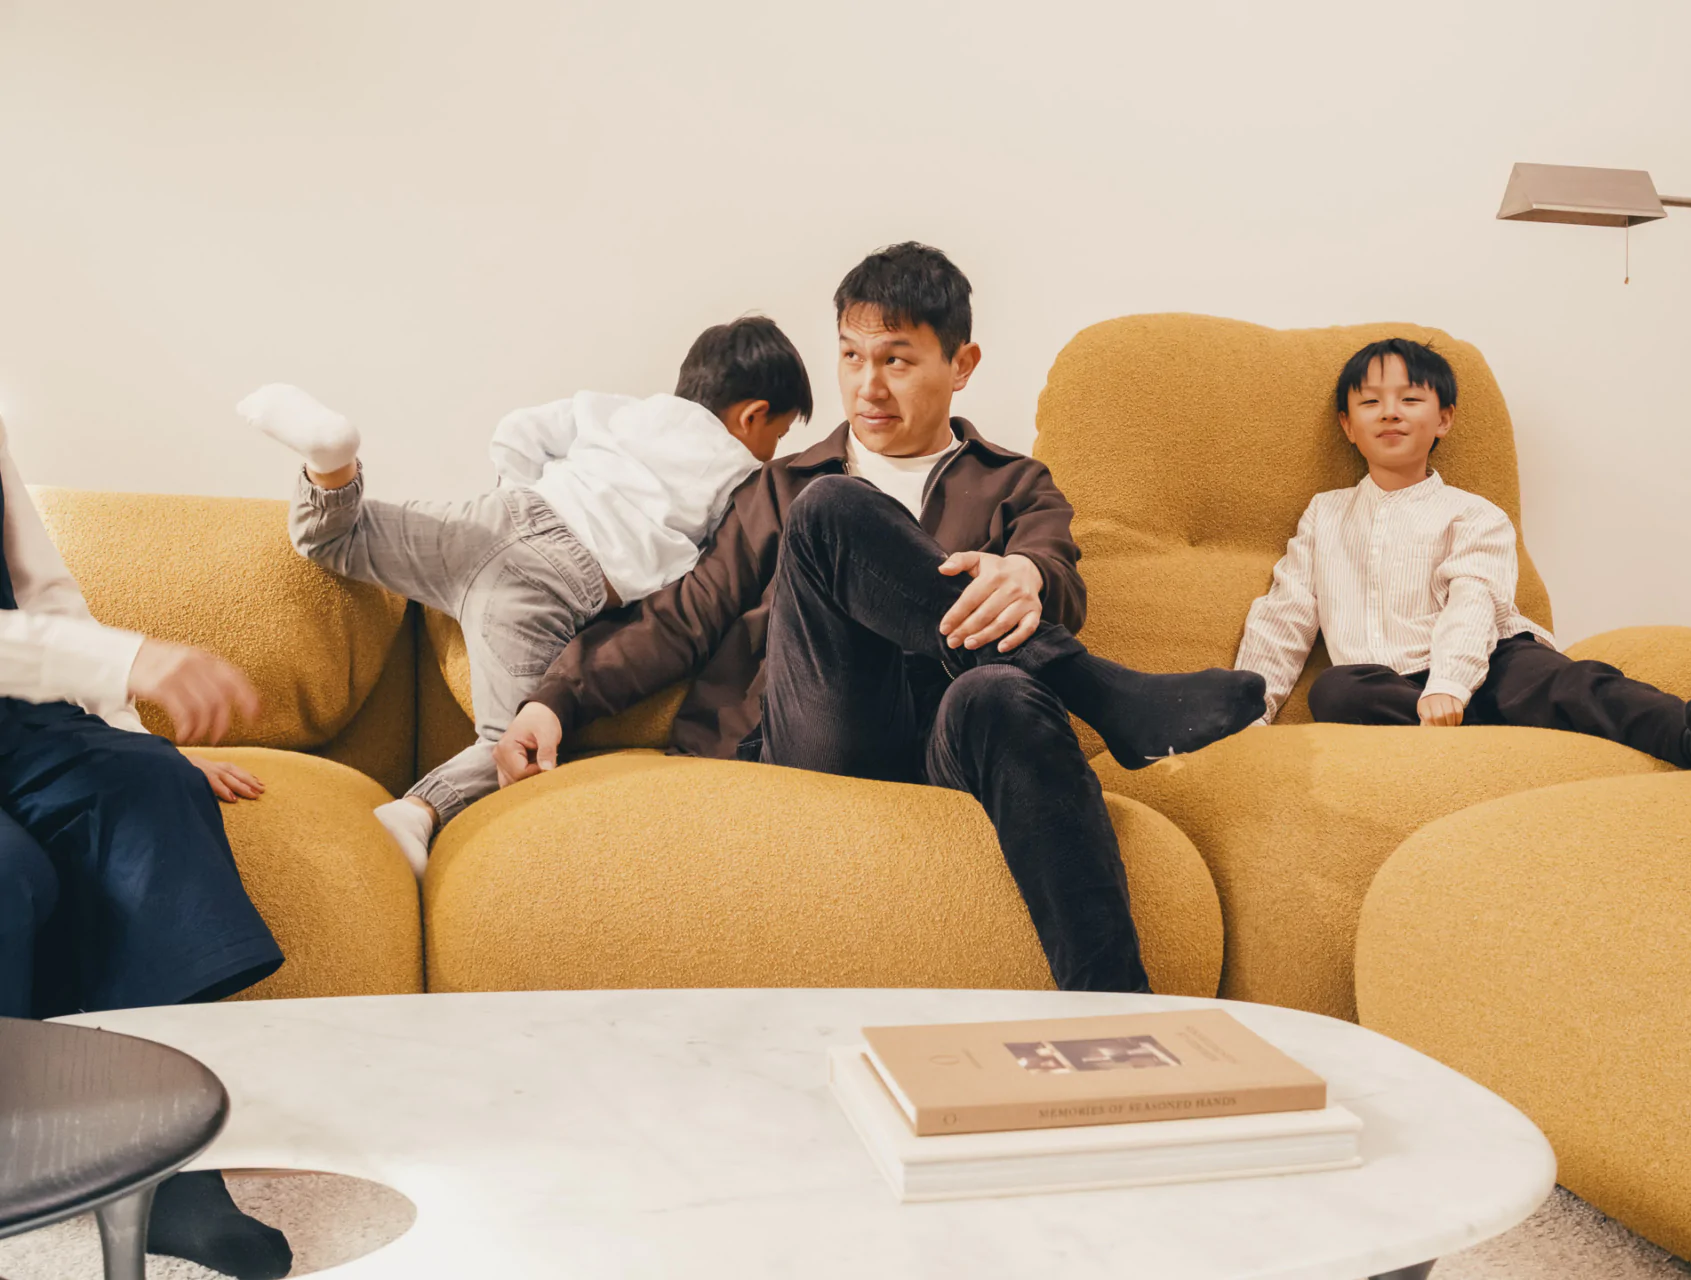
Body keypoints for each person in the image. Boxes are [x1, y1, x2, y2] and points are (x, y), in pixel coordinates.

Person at [491, 243, 1266, 993]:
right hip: (827, 729)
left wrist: (1026, 572)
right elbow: (683, 618)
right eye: (852, 357)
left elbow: (1056, 571)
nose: (868, 386)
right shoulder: (787, 487)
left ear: (960, 366)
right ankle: (1099, 690)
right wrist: (553, 698)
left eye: (896, 359)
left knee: (1001, 693)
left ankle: (1118, 1016)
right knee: (834, 510)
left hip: (947, 743)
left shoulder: (1014, 485)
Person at [238, 315, 813, 873]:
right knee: (517, 738)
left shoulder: (621, 410)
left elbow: (519, 430)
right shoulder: (741, 473)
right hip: (558, 582)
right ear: (752, 416)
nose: (772, 449)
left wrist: (519, 499)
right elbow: (704, 577)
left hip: (496, 519)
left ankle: (330, 462)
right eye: (778, 435)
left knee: (335, 540)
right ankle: (417, 811)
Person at [0, 416, 294, 1278]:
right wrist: (123, 657)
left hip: (20, 710)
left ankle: (165, 1179)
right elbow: (82, 646)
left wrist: (133, 738)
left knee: (151, 789)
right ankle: (18, 1154)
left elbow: (42, 591)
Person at [1234, 337, 1691, 769]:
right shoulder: (1325, 515)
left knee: (1573, 682)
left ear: (1443, 420)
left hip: (1492, 661)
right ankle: (1492, 731)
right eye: (1371, 402)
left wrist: (1449, 684)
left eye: (1410, 400)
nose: (1390, 413)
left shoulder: (1473, 514)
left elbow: (1474, 601)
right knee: (1337, 691)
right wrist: (1248, 713)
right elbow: (1286, 614)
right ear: (1349, 428)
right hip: (1394, 684)